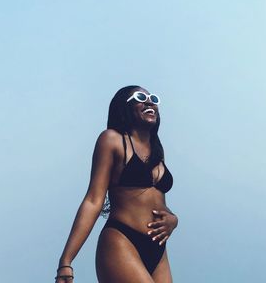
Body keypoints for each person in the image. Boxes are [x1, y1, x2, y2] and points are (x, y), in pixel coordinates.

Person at [55, 85, 178, 283]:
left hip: (158, 250)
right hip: (122, 241)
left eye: (153, 99)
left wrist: (173, 219)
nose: (149, 102)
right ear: (124, 107)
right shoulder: (111, 140)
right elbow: (93, 200)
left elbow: (155, 200)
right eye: (140, 97)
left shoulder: (157, 151)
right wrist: (66, 261)